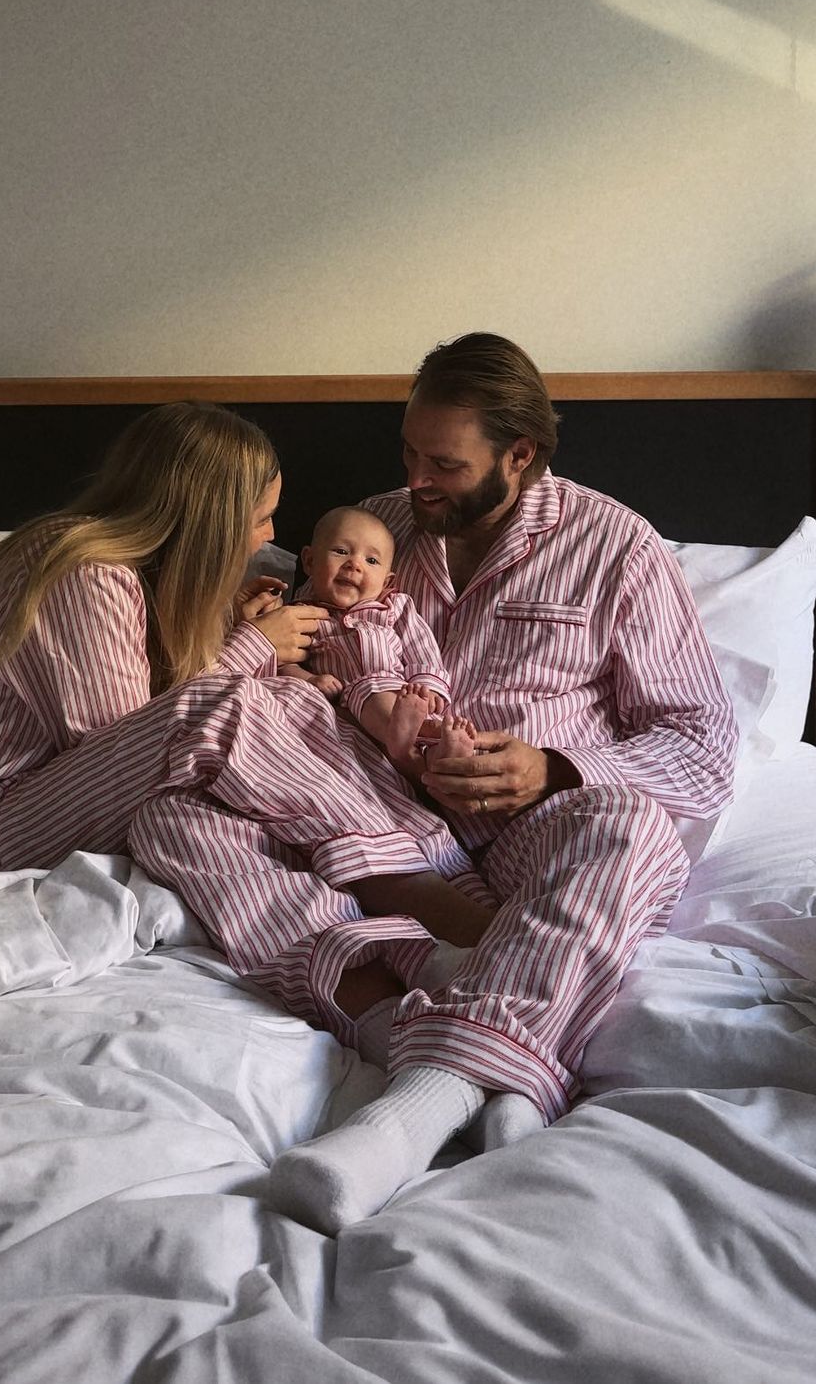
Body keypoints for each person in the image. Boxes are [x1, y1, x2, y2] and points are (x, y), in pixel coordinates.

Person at [130, 337, 739, 1234]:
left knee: (632, 828)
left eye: (444, 465)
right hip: (359, 811)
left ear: (519, 455)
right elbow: (279, 639)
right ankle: (461, 1047)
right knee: (173, 812)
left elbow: (703, 745)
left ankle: (420, 1102)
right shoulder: (369, 530)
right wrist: (250, 618)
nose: (416, 480)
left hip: (534, 826)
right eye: (409, 451)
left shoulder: (617, 547)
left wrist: (552, 769)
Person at [0, 404, 493, 982]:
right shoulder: (84, 573)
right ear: (209, 520)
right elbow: (130, 744)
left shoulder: (128, 573)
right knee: (242, 704)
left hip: (40, 810)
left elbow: (143, 749)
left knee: (188, 822)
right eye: (260, 519)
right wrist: (251, 649)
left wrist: (228, 630)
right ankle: (416, 885)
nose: (267, 536)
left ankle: (374, 980)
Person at [280, 504, 476, 770]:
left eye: (371, 561)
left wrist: (427, 685)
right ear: (310, 561)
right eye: (341, 551)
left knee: (429, 722)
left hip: (405, 693)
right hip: (353, 701)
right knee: (370, 692)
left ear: (386, 582)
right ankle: (406, 740)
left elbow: (420, 645)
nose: (354, 565)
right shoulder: (301, 615)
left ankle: (442, 754)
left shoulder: (394, 607)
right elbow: (284, 663)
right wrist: (310, 679)